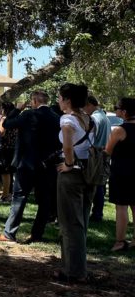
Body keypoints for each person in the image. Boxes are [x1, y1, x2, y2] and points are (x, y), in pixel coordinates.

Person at [0, 91, 61, 244]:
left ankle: (10, 233)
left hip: (26, 163)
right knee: (44, 201)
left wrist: (17, 109)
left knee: (19, 197)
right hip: (47, 164)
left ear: (34, 101)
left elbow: (6, 124)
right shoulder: (56, 118)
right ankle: (37, 234)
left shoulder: (28, 114)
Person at [54, 82, 95, 283]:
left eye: (60, 97)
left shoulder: (68, 119)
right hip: (89, 172)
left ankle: (74, 271)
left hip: (73, 174)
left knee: (70, 223)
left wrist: (69, 164)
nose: (58, 101)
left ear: (67, 100)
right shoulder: (87, 117)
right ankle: (76, 267)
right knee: (81, 221)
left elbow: (68, 146)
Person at [104, 97, 135, 252]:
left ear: (124, 111)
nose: (115, 110)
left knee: (121, 207)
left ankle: (120, 241)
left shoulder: (119, 130)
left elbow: (107, 151)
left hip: (122, 172)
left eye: (117, 107)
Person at [85, 95, 111, 222]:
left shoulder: (95, 118)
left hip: (96, 154)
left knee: (95, 184)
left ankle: (96, 214)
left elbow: (91, 137)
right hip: (103, 153)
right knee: (100, 184)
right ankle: (97, 212)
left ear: (90, 105)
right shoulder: (104, 117)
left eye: (84, 107)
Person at [0, 101, 18, 202]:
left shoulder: (4, 119)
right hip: (12, 148)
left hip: (4, 148)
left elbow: (1, 133)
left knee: (5, 172)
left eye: (1, 108)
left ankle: (5, 195)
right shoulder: (15, 119)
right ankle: (9, 193)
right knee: (9, 172)